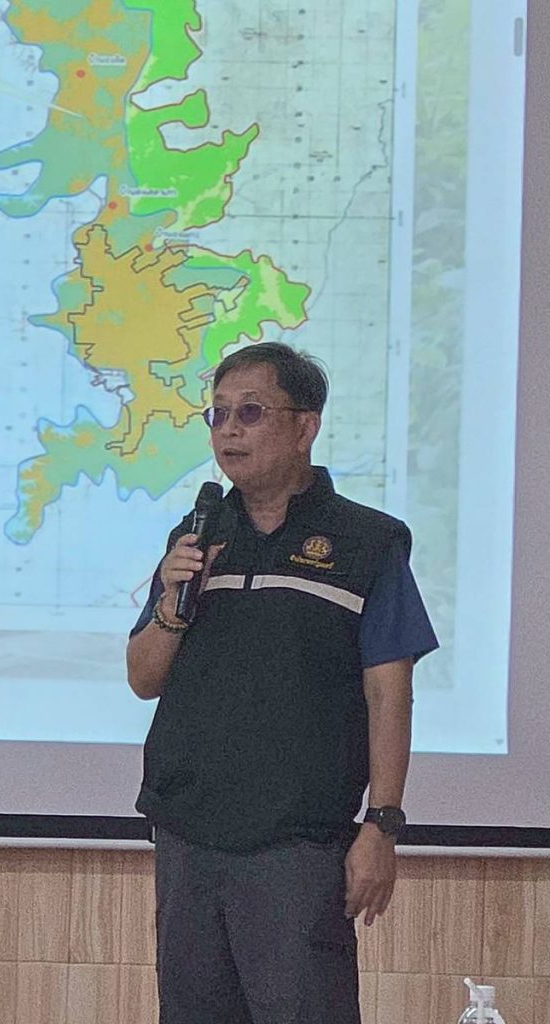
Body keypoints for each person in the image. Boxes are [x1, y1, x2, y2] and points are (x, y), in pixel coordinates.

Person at [126, 342, 438, 1024]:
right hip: (188, 833)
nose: (228, 430)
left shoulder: (367, 542)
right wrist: (174, 602)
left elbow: (389, 692)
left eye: (250, 412)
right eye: (217, 414)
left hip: (297, 844)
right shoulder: (196, 536)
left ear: (305, 426)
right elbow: (143, 678)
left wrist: (382, 824)